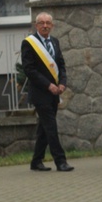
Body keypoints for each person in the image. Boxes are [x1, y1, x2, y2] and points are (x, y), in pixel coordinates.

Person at [22, 12, 74, 172]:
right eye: (41, 23)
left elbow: (61, 65)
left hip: (55, 93)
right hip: (40, 93)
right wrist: (48, 85)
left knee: (44, 129)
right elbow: (29, 69)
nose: (45, 26)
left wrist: (62, 84)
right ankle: (61, 161)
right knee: (51, 127)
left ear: (52, 25)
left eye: (48, 23)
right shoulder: (29, 43)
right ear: (36, 25)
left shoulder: (55, 42)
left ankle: (36, 161)